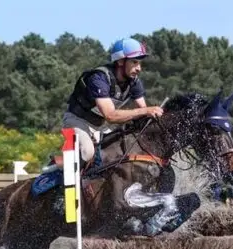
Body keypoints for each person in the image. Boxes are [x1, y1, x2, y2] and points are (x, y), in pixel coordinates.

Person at [54, 37, 164, 174]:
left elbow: (143, 112)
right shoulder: (99, 78)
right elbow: (110, 115)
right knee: (87, 152)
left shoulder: (134, 82)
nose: (139, 68)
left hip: (101, 126)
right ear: (120, 61)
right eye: (134, 62)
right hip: (76, 122)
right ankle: (57, 182)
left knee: (117, 152)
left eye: (140, 63)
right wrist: (146, 110)